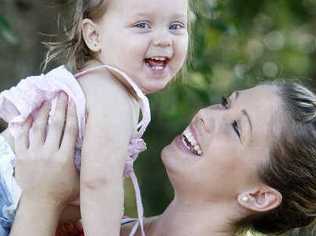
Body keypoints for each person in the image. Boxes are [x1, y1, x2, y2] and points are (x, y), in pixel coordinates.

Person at [9, 80, 316, 236]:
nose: (206, 116)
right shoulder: (103, 220)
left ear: (258, 195)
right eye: (225, 104)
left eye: (236, 127)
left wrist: (41, 199)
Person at [0, 0, 189, 235]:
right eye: (142, 25)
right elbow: (98, 184)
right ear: (94, 36)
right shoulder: (112, 95)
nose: (164, 39)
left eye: (176, 26)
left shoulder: (100, 83)